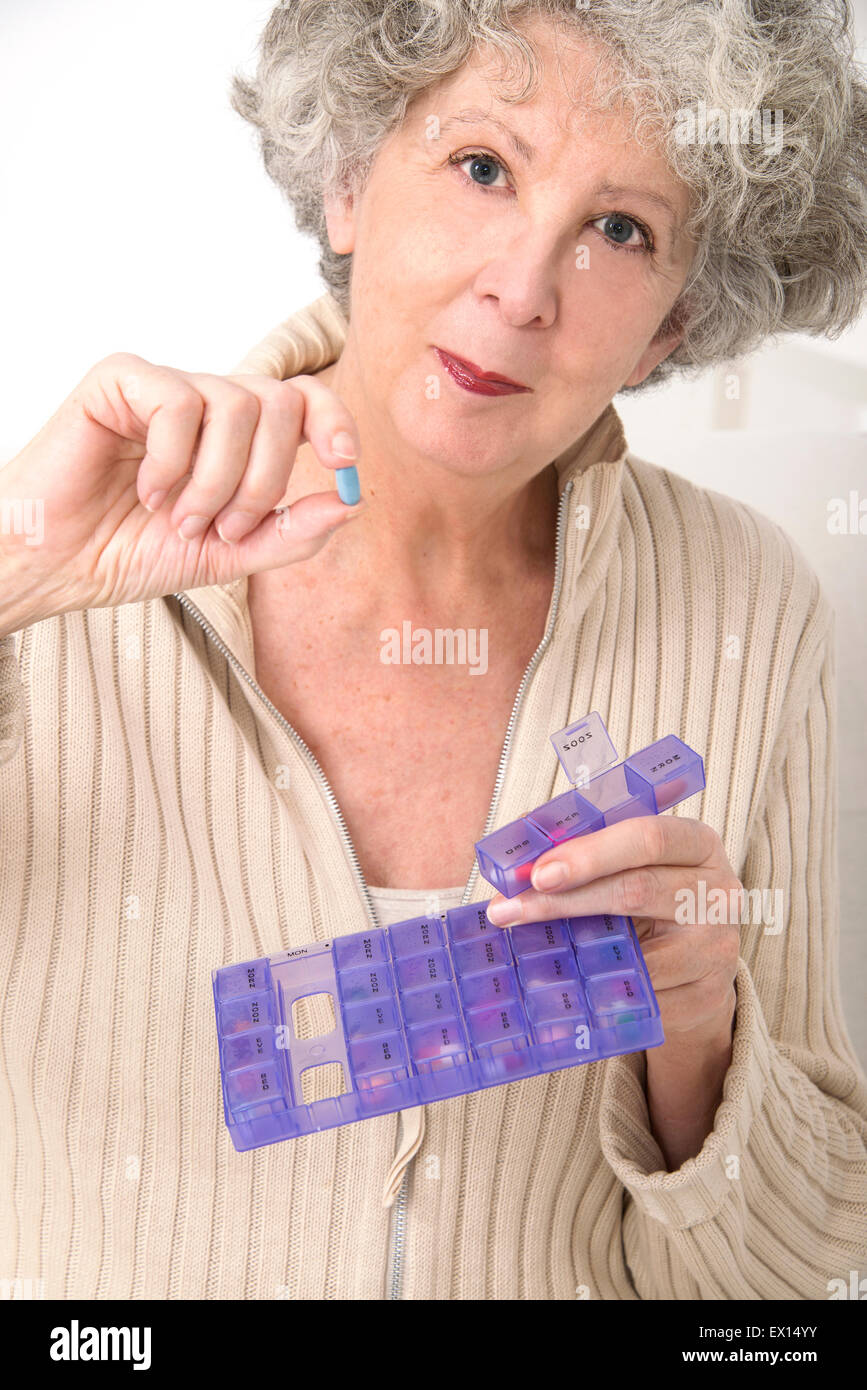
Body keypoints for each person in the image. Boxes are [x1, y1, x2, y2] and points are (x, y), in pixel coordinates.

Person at [1, 0, 866, 1301]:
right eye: (482, 167)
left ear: (673, 324)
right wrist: (15, 576)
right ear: (351, 179)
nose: (523, 291)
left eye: (620, 229)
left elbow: (777, 1286)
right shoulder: (75, 546)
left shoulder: (748, 607)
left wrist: (699, 1018)